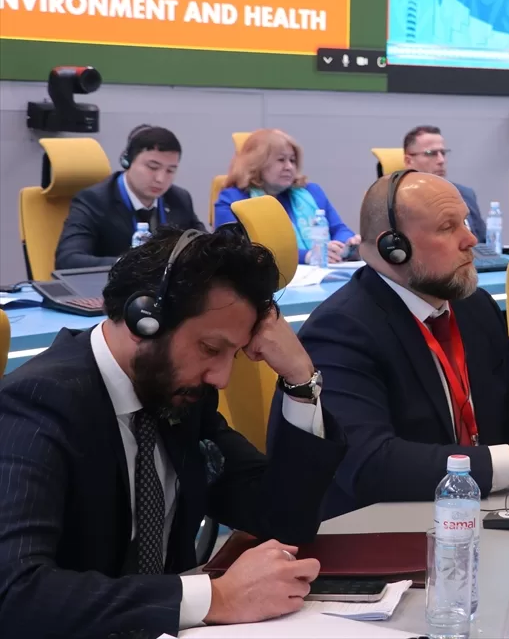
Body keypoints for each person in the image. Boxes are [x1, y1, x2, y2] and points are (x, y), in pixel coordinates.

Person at [0, 228, 346, 636]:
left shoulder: (179, 395)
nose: (221, 378)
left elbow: (284, 520)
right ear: (143, 319)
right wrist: (215, 598)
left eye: (233, 354)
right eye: (210, 349)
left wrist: (300, 379)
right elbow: (15, 595)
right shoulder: (36, 404)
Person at [276, 171, 509, 516]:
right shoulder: (341, 329)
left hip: (479, 512)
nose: (470, 239)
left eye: (465, 222)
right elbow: (370, 462)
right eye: (448, 227)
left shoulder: (474, 306)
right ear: (394, 248)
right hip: (387, 525)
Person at [55, 124, 205, 270]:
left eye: (170, 171)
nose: (160, 179)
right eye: (152, 167)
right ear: (127, 162)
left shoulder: (179, 199)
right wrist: (132, 265)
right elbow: (68, 259)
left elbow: (204, 248)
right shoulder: (94, 200)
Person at [214, 129, 360, 265]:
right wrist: (307, 256)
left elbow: (339, 229)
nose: (289, 167)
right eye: (281, 160)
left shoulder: (310, 192)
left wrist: (344, 245)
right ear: (256, 163)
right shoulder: (233, 200)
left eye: (292, 160)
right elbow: (237, 250)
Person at [402, 125, 487, 243]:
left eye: (443, 153)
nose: (441, 160)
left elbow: (482, 242)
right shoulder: (400, 201)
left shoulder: (465, 194)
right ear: (408, 161)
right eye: (431, 153)